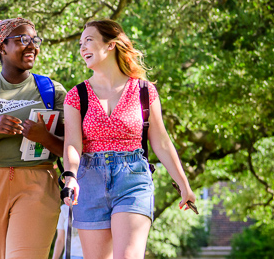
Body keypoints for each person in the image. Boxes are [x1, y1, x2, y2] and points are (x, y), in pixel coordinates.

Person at [61, 19, 198, 259]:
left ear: (111, 45)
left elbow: (162, 142)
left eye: (89, 41)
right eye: (80, 43)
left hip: (132, 178)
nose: (82, 48)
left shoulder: (144, 91)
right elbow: (72, 144)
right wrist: (70, 177)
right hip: (89, 179)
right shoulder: (76, 95)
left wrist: (184, 185)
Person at [0, 18, 65, 258]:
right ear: (2, 47)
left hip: (37, 182)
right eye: (22, 40)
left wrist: (44, 137)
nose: (32, 46)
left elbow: (72, 145)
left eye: (34, 40)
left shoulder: (52, 90)